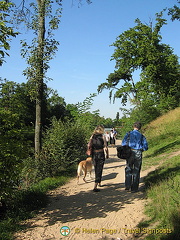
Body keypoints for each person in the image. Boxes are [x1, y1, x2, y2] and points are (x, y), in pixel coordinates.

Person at [122, 121, 148, 193]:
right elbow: (146, 147)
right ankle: (134, 188)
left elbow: (123, 143)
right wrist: (142, 149)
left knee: (128, 168)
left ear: (133, 126)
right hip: (138, 152)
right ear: (139, 128)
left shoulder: (128, 134)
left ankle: (127, 185)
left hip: (130, 152)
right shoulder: (142, 136)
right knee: (136, 170)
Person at [87, 125, 108, 192]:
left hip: (94, 154)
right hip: (101, 154)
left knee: (96, 168)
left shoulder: (92, 136)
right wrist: (107, 154)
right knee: (100, 168)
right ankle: (95, 185)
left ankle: (99, 182)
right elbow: (105, 147)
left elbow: (88, 145)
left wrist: (90, 149)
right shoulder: (103, 136)